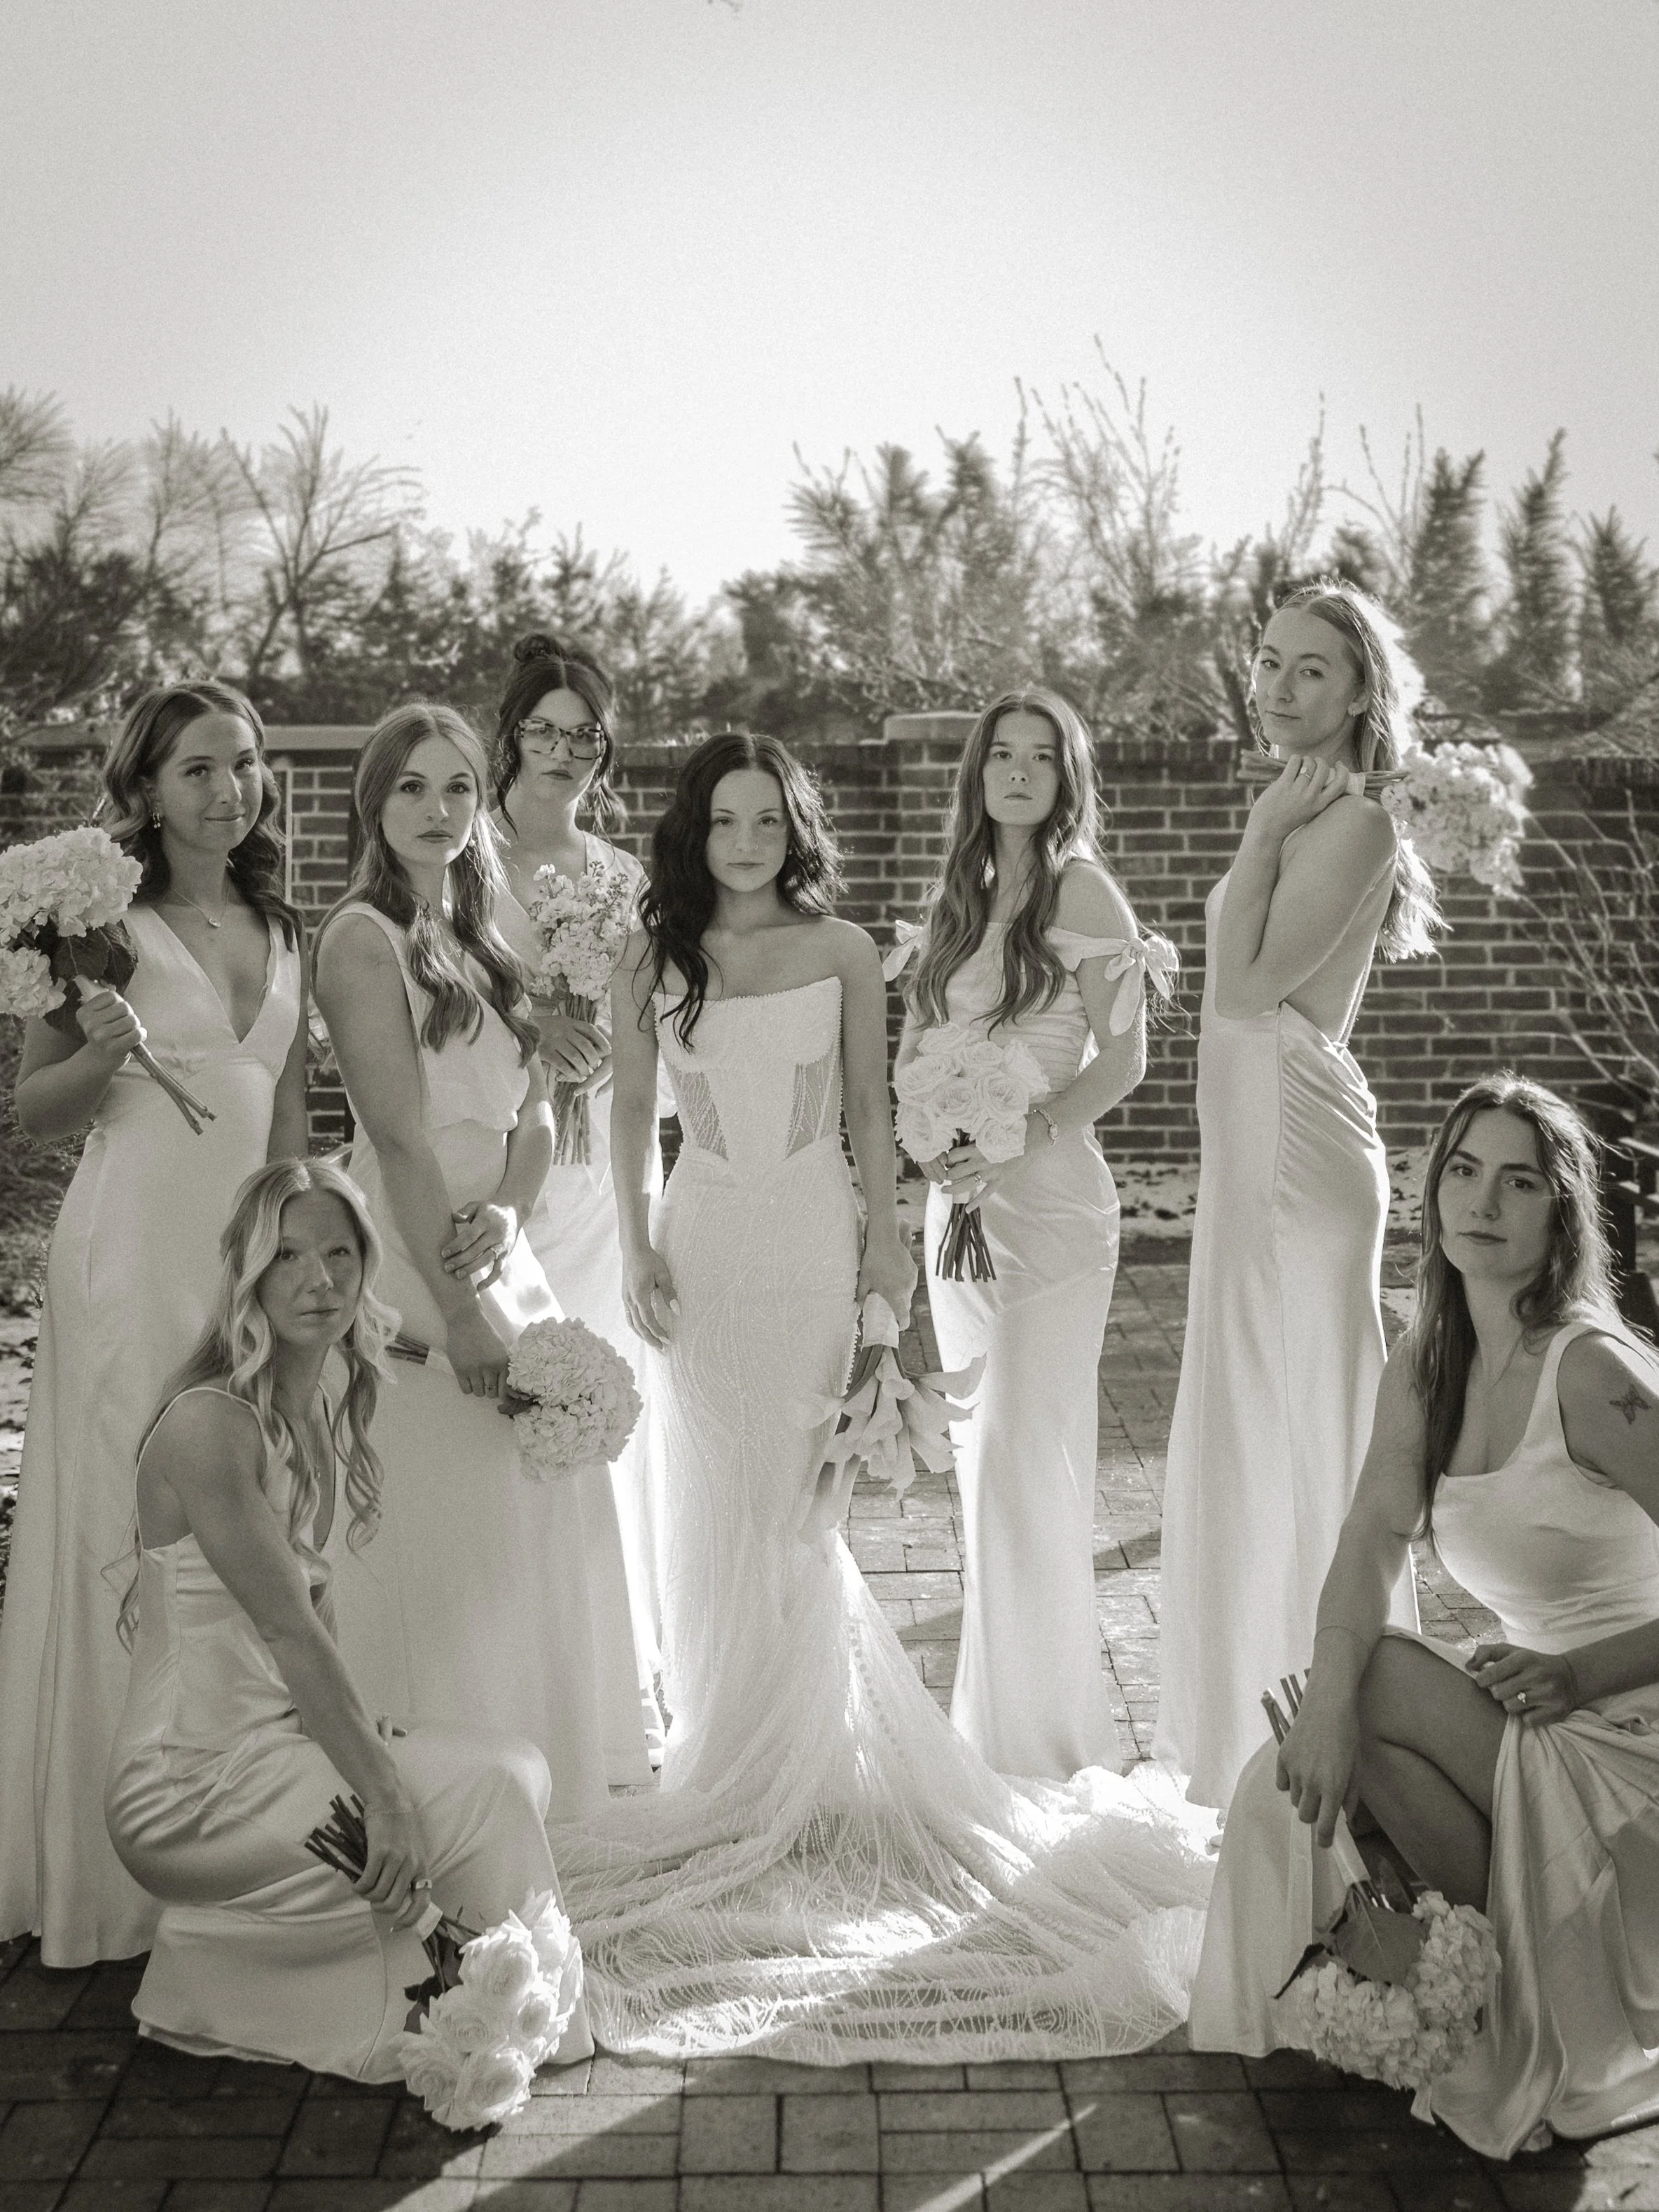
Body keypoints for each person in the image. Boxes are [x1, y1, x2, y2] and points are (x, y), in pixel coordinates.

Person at [552, 731, 1214, 2064]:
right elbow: (631, 1114)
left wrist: (879, 1272)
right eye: (725, 820)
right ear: (698, 831)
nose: (746, 842)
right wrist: (632, 1244)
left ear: (795, 832)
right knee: (710, 1498)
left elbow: (867, 1117)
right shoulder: (654, 953)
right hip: (700, 1246)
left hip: (804, 1245)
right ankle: (724, 1764)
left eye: (767, 821)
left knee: (799, 1510)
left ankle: (801, 1785)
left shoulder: (848, 949)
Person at [1192, 1076, 1659, 2160]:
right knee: (1338, 1720)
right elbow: (1367, 1539)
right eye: (1461, 1169)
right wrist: (1326, 1717)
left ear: (1562, 1213)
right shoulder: (1431, 1358)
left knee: (1379, 1678)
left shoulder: (1592, 1373)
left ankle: (1545, 1989)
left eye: (1518, 1181)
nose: (1481, 1202)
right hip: (1543, 1726)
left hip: (1629, 1727)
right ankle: (1501, 1996)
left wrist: (1584, 1673)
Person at [106, 1156, 592, 2080]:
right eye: (287, 1256)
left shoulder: (298, 1416)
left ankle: (482, 2002)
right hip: (187, 1786)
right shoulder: (211, 1425)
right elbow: (290, 1636)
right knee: (488, 1786)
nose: (319, 1278)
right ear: (246, 1271)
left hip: (267, 1749)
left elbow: (311, 1637)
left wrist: (366, 1740)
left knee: (520, 1764)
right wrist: (382, 1793)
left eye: (339, 1254)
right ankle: (498, 2022)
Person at [0, 681, 306, 1966]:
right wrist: (103, 1050)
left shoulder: (281, 921)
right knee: (136, 1531)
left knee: (252, 1525)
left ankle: (236, 1829)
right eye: (197, 768)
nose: (227, 789)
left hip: (247, 1264)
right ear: (146, 784)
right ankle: (112, 1868)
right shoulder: (94, 927)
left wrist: (298, 1261)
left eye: (243, 764)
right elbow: (35, 1114)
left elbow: (288, 1112)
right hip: (129, 1259)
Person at [1153, 580, 1441, 1809]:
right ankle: (1250, 1736)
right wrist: (1268, 829)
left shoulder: (1358, 820)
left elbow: (1247, 988)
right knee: (1254, 1415)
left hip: (1296, 1147)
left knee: (1300, 1423)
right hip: (1252, 1141)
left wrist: (1264, 840)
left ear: (1361, 687)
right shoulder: (1309, 798)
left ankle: (1335, 1740)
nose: (1277, 686)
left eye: (1310, 669)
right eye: (1267, 662)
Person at [312, 703, 605, 1820]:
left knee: (517, 1525)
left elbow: (536, 1111)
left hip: (497, 1241)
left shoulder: (486, 934)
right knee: (434, 1517)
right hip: (415, 1251)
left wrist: (515, 1217)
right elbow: (396, 1138)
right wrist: (461, 1310)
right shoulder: (357, 937)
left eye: (458, 791)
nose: (438, 812)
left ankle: (522, 1780)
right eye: (413, 790)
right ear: (374, 802)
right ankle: (427, 1793)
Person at [891, 686, 1174, 1781]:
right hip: (956, 1202)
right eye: (1001, 754)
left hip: (1050, 1202)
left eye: (1040, 757)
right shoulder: (960, 892)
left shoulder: (1086, 886)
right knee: (981, 1457)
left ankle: (1047, 1741)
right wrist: (933, 1130)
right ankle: (991, 1728)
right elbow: (921, 1041)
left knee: (1027, 1453)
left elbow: (1126, 1056)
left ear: (1066, 776)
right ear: (979, 774)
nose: (1017, 772)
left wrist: (1024, 1131)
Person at [488, 632, 662, 1782]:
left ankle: (605, 1668)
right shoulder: (468, 855)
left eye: (583, 735)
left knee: (600, 1407)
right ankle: (511, 1664)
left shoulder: (620, 873)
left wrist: (611, 1055)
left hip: (598, 1177)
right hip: (502, 1166)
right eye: (542, 731)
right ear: (509, 736)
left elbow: (649, 1016)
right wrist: (529, 1029)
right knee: (504, 1405)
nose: (562, 752)